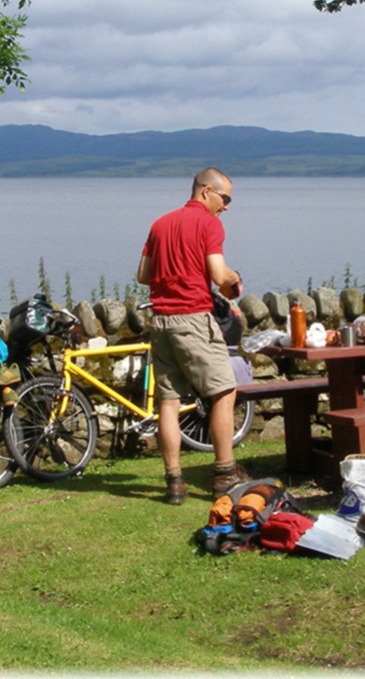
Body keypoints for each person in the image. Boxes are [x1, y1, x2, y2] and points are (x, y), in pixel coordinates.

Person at [136, 167, 247, 505]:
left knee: (168, 401)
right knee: (224, 392)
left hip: (161, 320)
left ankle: (174, 483)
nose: (227, 206)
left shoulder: (160, 224)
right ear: (205, 192)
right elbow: (217, 274)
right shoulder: (210, 224)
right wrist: (234, 279)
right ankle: (224, 474)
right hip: (193, 318)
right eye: (224, 198)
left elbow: (143, 275)